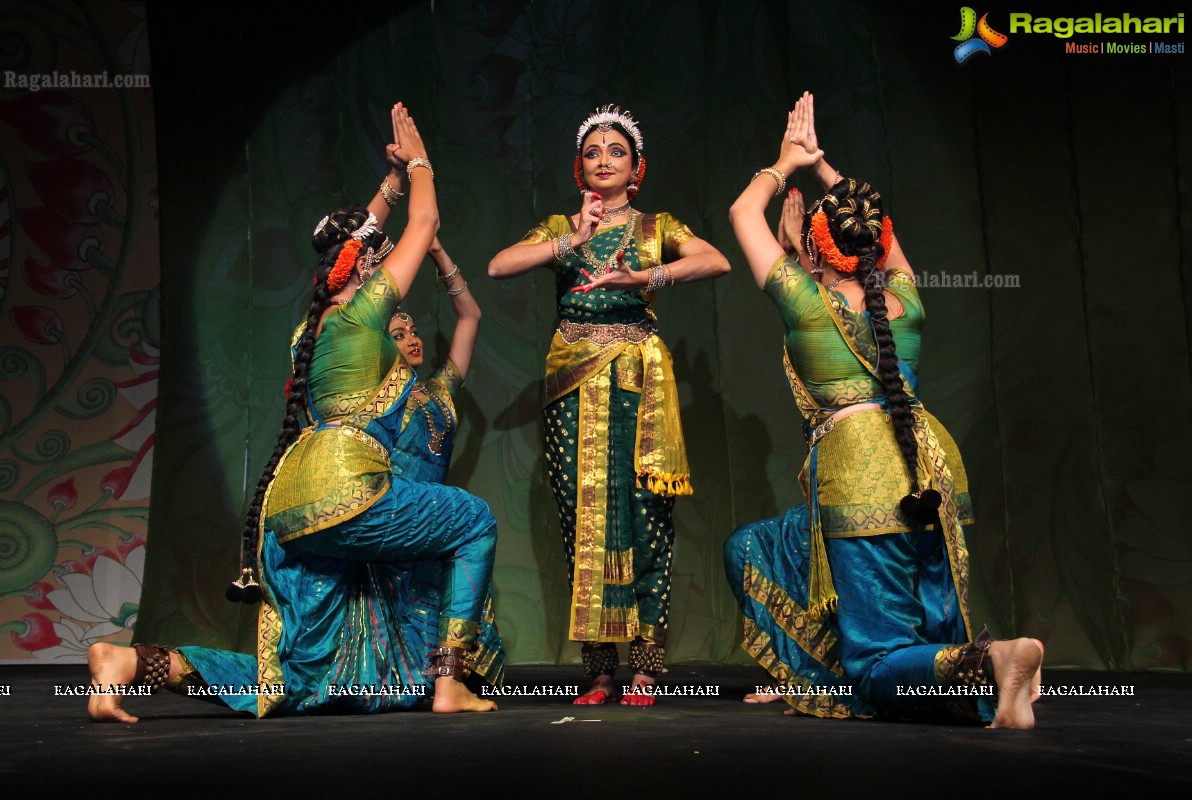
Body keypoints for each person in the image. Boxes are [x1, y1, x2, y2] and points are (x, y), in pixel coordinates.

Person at [87, 104, 500, 721]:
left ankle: (130, 663)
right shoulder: (366, 313)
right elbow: (428, 218)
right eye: (378, 257)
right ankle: (449, 684)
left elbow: (361, 241)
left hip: (288, 504)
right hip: (349, 487)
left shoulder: (308, 333)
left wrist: (385, 188)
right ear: (367, 267)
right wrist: (418, 164)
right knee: (475, 521)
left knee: (299, 675)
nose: (385, 263)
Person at [723, 92, 1043, 728]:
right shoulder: (907, 302)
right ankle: (985, 674)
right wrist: (827, 173)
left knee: (875, 665)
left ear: (817, 247)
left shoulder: (806, 305)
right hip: (930, 465)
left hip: (862, 472)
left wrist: (788, 161)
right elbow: (876, 229)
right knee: (767, 550)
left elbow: (740, 211)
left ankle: (995, 659)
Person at [488, 106, 729, 704]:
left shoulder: (655, 228)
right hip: (573, 385)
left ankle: (647, 666)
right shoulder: (559, 227)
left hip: (638, 382)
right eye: (593, 151)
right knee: (584, 520)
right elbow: (498, 266)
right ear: (579, 167)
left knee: (647, 517)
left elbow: (716, 259)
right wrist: (572, 240)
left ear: (636, 168)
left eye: (616, 151)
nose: (604, 159)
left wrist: (645, 281)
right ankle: (599, 669)